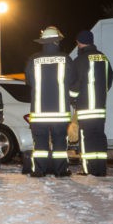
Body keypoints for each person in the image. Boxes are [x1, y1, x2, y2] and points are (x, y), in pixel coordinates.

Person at [24, 26, 75, 177]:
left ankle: (39, 171)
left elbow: (29, 81)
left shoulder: (33, 59)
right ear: (57, 41)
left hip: (39, 113)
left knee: (40, 144)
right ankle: (61, 171)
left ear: (43, 42)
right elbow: (72, 80)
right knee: (60, 143)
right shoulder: (65, 58)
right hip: (60, 113)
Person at [70, 30, 113, 176]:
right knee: (99, 138)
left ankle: (88, 169)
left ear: (79, 42)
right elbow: (110, 78)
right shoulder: (103, 58)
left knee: (86, 138)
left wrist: (71, 98)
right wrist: (101, 93)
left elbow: (75, 85)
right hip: (100, 109)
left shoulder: (80, 60)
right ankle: (100, 169)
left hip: (85, 108)